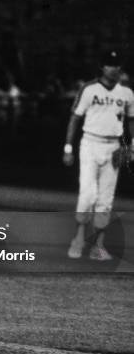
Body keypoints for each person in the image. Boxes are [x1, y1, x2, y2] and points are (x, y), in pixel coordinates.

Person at [63, 50, 134, 260]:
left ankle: (98, 246)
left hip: (114, 146)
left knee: (106, 198)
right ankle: (78, 238)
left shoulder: (127, 93)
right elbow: (75, 118)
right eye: (110, 64)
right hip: (90, 143)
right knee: (87, 195)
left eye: (117, 64)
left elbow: (132, 120)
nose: (114, 68)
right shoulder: (89, 88)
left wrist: (132, 147)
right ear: (102, 67)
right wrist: (68, 148)